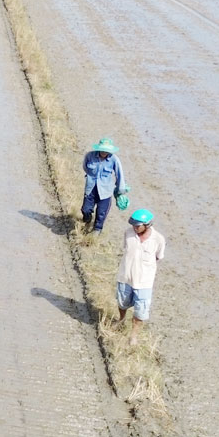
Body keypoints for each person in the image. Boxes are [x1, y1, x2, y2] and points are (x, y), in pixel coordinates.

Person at [115, 208, 166, 344]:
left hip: (144, 282)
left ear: (147, 225)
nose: (135, 228)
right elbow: (126, 249)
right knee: (122, 303)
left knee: (141, 311)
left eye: (137, 226)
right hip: (125, 276)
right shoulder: (128, 233)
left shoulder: (158, 239)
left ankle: (133, 335)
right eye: (133, 225)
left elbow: (158, 257)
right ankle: (121, 320)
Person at [82, 137, 130, 233]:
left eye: (106, 150)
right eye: (102, 149)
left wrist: (121, 191)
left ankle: (97, 230)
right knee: (86, 209)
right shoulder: (89, 156)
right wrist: (90, 177)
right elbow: (85, 167)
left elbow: (119, 174)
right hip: (91, 188)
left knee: (101, 213)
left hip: (105, 191)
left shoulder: (114, 159)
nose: (104, 152)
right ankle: (87, 219)